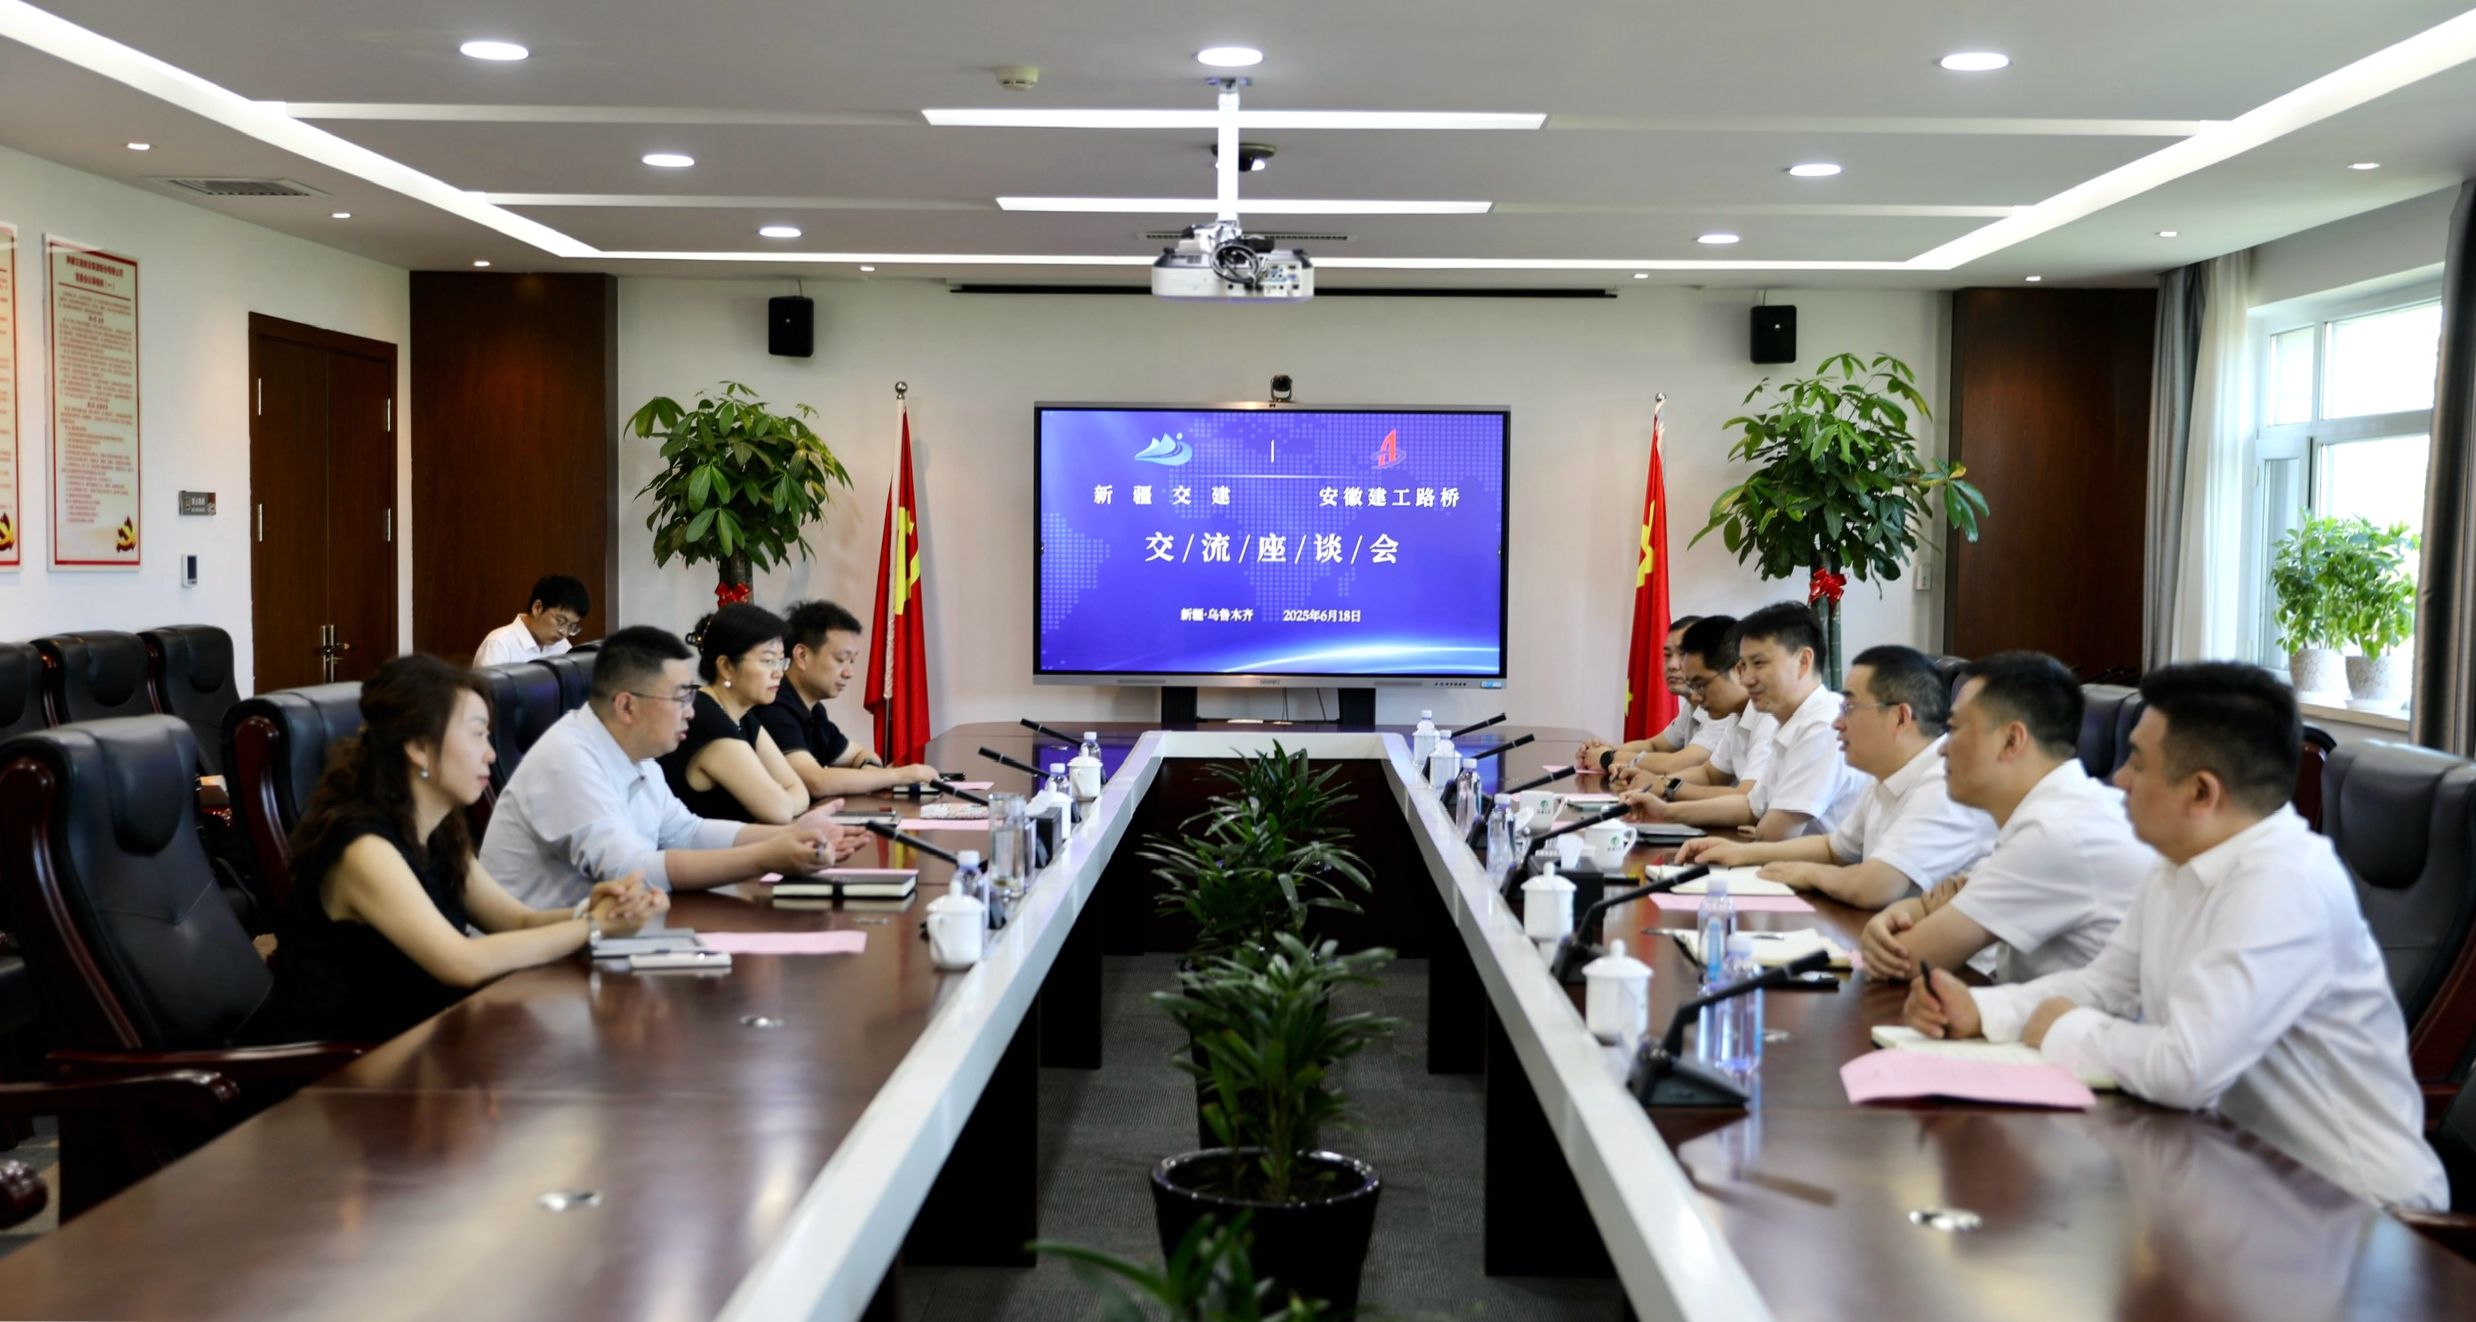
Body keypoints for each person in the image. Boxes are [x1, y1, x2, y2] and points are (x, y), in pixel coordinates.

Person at [1904, 662, 2448, 1211]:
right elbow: (2103, 986)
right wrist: (1982, 1011)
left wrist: (2063, 1028)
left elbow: (2187, 1068)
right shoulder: (2178, 863)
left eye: (2138, 763)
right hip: (2239, 1173)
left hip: (2358, 1213)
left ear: (2201, 792)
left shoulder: (2285, 882)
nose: (2120, 779)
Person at [259, 654, 667, 1043]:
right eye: (476, 734)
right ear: (419, 746)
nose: (490, 753)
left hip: (421, 1048)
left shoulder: (437, 831)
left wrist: (595, 912)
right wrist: (594, 927)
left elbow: (518, 921)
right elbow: (461, 963)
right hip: (337, 1073)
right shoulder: (364, 850)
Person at [480, 625, 872, 911]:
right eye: (680, 698)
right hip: (530, 969)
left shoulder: (637, 753)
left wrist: (791, 835)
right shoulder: (568, 761)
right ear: (627, 705)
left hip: (608, 936)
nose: (691, 711)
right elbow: (633, 871)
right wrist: (769, 855)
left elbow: (686, 831)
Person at [1860, 652, 2155, 983]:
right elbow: (1924, 912)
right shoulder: (2061, 807)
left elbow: (1906, 958)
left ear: (2011, 740)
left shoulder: (2055, 831)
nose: (1942, 748)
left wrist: (1888, 923)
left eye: (1954, 729)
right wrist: (1900, 916)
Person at [1672, 645, 1993, 908]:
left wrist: (1804, 874)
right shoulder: (1887, 776)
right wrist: (1741, 853)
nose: (1837, 723)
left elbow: (1874, 886)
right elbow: (1833, 849)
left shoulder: (1942, 784)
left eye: (1849, 709)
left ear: (1900, 718)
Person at [1629, 601, 1863, 841]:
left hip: (1812, 865)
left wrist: (1667, 790)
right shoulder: (1787, 719)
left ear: (1803, 661)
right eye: (1743, 666)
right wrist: (1665, 811)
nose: (1747, 679)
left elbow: (1773, 833)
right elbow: (1751, 807)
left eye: (1759, 664)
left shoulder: (1823, 725)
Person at [750, 600, 939, 798]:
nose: (849, 672)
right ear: (802, 655)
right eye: (841, 659)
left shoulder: (814, 711)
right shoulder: (773, 708)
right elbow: (815, 782)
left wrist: (872, 773)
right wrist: (896, 776)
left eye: (852, 661)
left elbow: (860, 755)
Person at [1610, 616, 1773, 830]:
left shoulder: (1768, 716)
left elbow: (1746, 798)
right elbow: (1710, 774)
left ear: (1738, 671)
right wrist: (1653, 781)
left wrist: (1666, 787)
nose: (1695, 697)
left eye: (1701, 685)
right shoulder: (1737, 713)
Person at [655, 604, 812, 823]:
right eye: (768, 661)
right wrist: (781, 798)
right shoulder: (705, 719)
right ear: (726, 666)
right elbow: (779, 811)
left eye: (781, 661)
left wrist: (783, 799)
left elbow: (798, 789)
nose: (779, 673)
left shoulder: (742, 715)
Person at [1575, 617, 1724, 777]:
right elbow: (1654, 746)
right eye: (1667, 655)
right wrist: (1606, 748)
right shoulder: (1692, 705)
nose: (1672, 665)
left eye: (1683, 655)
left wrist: (1608, 757)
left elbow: (1675, 764)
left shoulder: (1723, 711)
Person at [473, 574, 591, 667]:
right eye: (560, 621)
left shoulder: (563, 646)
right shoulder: (499, 645)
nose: (564, 632)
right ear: (537, 608)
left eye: (572, 626)